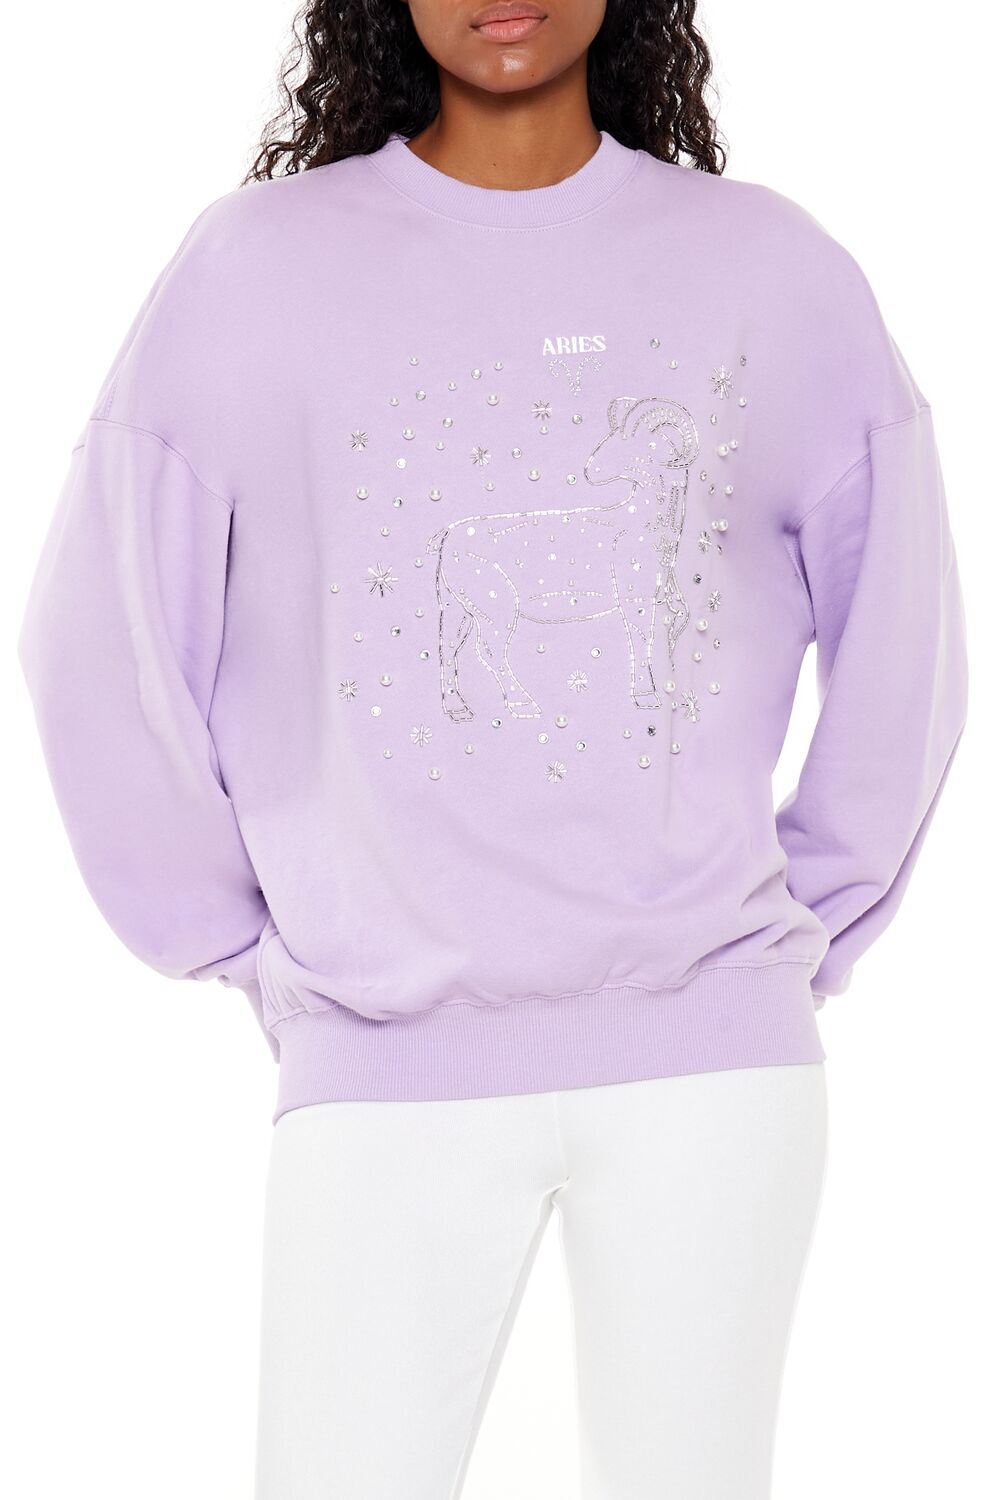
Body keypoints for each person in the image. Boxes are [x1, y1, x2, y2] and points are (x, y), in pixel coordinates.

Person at [16, 2, 969, 1496]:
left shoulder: (771, 273)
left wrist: (806, 927)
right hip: (379, 1061)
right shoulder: (252, 273)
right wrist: (242, 942)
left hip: (713, 1074)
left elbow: (904, 631)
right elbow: (100, 637)